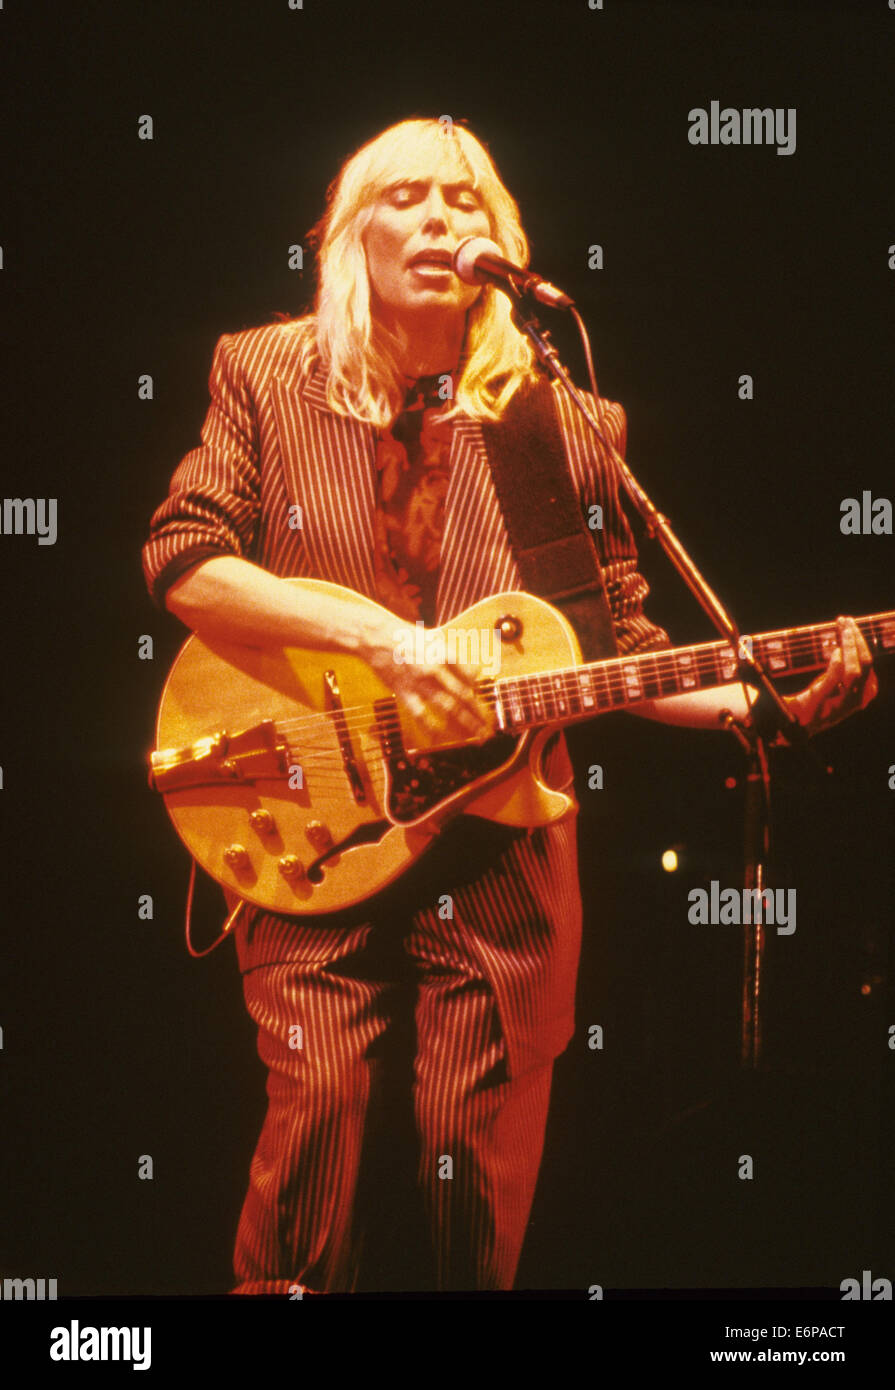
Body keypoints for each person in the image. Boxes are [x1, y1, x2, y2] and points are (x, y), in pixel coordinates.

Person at [142, 117, 876, 1294]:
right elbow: (183, 560)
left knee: (466, 1159)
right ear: (348, 236)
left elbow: (617, 646)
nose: (441, 219)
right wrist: (384, 638)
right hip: (307, 806)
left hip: (502, 846)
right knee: (317, 1112)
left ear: (503, 243)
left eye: (467, 200)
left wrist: (759, 701)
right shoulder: (265, 372)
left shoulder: (561, 420)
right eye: (409, 198)